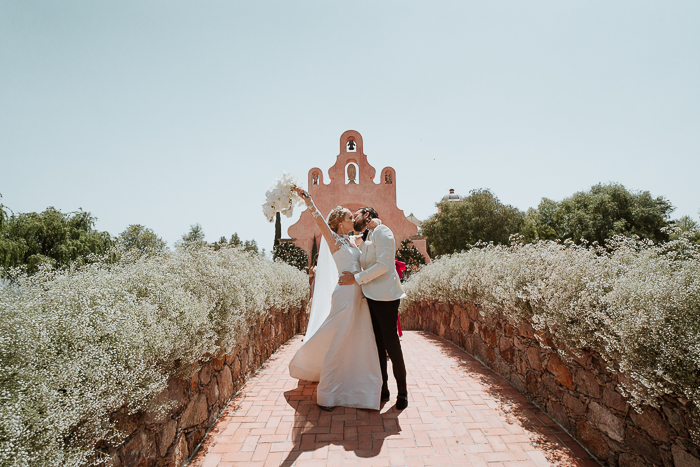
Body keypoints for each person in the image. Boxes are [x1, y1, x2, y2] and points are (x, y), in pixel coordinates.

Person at [288, 188, 382, 411]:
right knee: (338, 340)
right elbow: (319, 219)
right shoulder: (334, 240)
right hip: (344, 296)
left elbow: (373, 234)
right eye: (350, 217)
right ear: (341, 223)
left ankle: (359, 388)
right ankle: (327, 393)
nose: (353, 219)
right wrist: (308, 200)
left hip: (359, 296)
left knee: (359, 340)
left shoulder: (352, 241)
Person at [339, 207, 409, 410]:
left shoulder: (383, 231)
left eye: (357, 214)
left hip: (386, 298)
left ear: (367, 215)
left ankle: (403, 392)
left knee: (391, 345)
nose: (354, 218)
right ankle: (384, 388)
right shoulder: (368, 234)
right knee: (378, 345)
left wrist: (356, 279)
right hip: (369, 297)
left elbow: (384, 265)